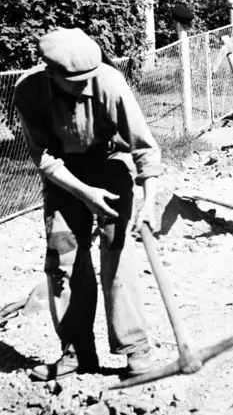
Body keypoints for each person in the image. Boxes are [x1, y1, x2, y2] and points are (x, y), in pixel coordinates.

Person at [12, 28, 160, 382]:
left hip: (111, 165)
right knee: (62, 260)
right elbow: (44, 158)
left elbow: (144, 147)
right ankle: (77, 351)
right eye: (73, 82)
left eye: (87, 79)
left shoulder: (110, 83)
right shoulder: (29, 90)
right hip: (65, 175)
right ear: (50, 72)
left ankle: (135, 350)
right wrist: (83, 193)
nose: (83, 86)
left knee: (117, 255)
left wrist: (150, 201)